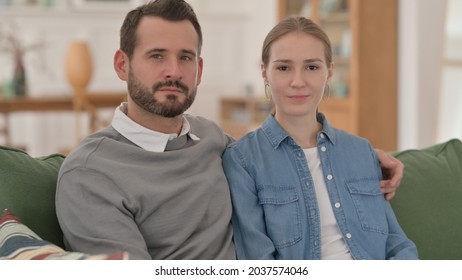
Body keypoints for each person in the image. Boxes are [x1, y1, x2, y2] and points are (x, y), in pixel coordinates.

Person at [56, 0, 404, 260]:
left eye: (186, 57)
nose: (173, 71)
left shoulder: (213, 140)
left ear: (200, 69)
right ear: (122, 64)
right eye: (157, 56)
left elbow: (282, 155)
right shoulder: (90, 174)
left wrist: (360, 157)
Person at [222, 17, 418, 260]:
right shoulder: (242, 160)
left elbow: (397, 244)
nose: (298, 81)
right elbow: (258, 261)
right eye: (283, 68)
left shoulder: (362, 151)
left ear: (330, 72)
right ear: (265, 73)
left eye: (312, 67)